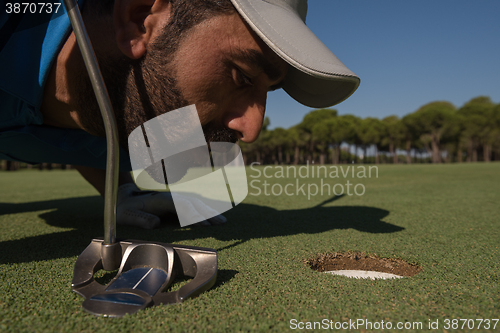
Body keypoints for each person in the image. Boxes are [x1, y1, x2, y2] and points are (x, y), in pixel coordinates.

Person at [0, 0, 360, 229]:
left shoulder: (138, 120)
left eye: (268, 91)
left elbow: (89, 137)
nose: (251, 130)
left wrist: (121, 191)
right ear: (140, 17)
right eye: (242, 76)